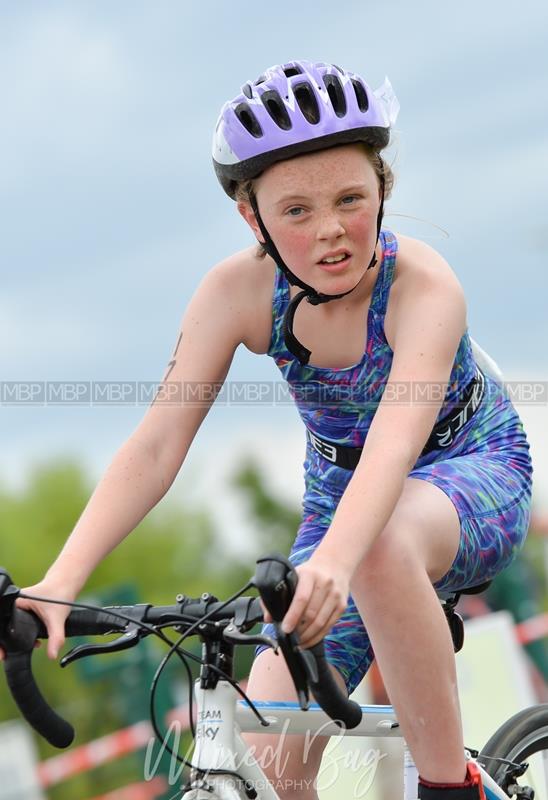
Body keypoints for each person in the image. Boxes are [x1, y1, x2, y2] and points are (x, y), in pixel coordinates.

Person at [1, 61, 533, 799]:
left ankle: (454, 790)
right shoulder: (237, 293)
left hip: (467, 469)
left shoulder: (425, 285)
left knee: (379, 548)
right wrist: (62, 581)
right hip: (340, 507)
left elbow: (393, 447)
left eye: (351, 198)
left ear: (384, 189)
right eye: (296, 211)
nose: (331, 230)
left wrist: (339, 564)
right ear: (253, 218)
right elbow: (157, 448)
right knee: (270, 743)